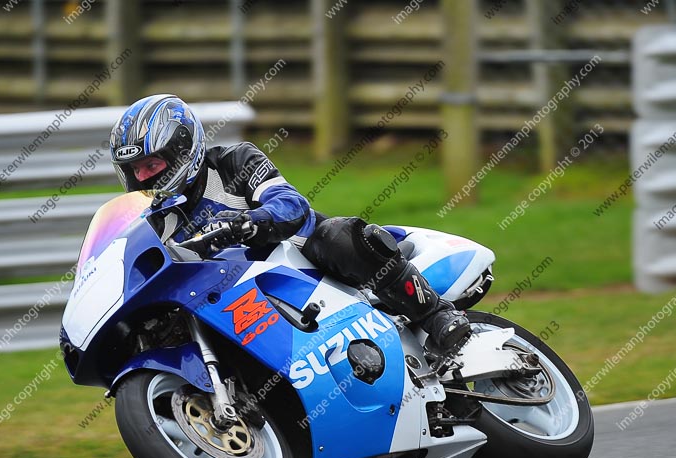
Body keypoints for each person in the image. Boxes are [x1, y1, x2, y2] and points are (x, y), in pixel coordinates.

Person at [109, 94, 470, 364]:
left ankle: (436, 315)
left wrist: (248, 223)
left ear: (182, 148)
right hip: (245, 302)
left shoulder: (234, 162)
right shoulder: (158, 223)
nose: (146, 177)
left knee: (336, 237)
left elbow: (289, 203)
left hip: (307, 263)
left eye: (152, 163)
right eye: (136, 170)